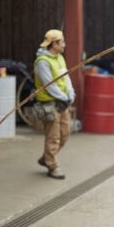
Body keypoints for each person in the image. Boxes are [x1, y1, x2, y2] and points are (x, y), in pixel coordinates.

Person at [34, 29, 75, 180]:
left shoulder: (59, 58)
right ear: (54, 44)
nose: (64, 44)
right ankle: (52, 165)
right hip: (49, 104)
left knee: (65, 134)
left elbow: (66, 77)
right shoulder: (42, 62)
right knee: (53, 137)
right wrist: (63, 97)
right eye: (62, 42)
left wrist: (70, 93)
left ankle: (46, 157)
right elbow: (49, 85)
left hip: (63, 102)